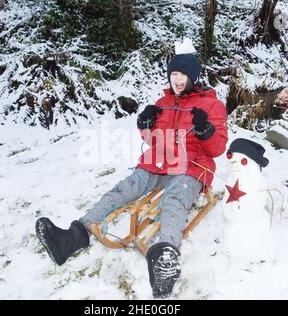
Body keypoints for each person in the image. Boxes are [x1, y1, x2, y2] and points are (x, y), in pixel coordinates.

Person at [35, 40, 228, 298]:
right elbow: (152, 140)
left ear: (193, 77)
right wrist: (145, 124)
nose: (177, 80)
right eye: (173, 74)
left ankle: (165, 259)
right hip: (157, 163)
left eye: (182, 75)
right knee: (125, 188)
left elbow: (217, 148)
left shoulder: (211, 105)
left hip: (190, 168)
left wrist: (206, 130)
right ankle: (73, 237)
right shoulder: (162, 101)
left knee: (174, 200)